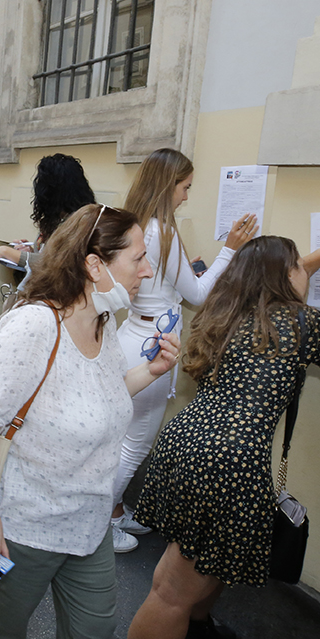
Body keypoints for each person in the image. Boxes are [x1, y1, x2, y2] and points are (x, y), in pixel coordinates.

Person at [115, 235, 320, 639]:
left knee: (203, 556)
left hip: (186, 442)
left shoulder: (226, 311)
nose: (306, 270)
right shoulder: (303, 322)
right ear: (286, 276)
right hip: (230, 461)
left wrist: (319, 256)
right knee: (171, 590)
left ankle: (196, 630)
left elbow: (277, 270)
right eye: (300, 265)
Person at [0, 204, 178, 639]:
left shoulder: (103, 323)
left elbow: (103, 392)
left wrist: (153, 372)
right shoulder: (35, 327)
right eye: (139, 259)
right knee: (0, 634)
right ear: (96, 265)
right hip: (26, 528)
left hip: (90, 524)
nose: (147, 271)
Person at [109, 148, 258, 553]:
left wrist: (183, 271)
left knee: (121, 437)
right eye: (186, 187)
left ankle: (115, 514)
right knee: (135, 443)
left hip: (134, 337)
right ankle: (101, 524)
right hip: (152, 346)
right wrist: (230, 249)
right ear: (168, 184)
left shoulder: (140, 225)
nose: (188, 196)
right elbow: (196, 294)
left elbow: (165, 283)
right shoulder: (162, 230)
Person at [0, 153, 96, 270]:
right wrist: (29, 250)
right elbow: (46, 255)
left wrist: (5, 251)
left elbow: (53, 263)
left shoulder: (80, 223)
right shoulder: (58, 217)